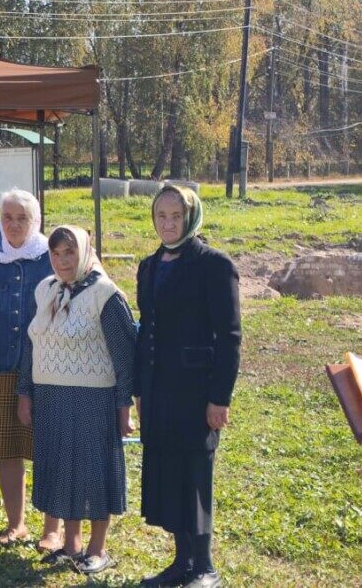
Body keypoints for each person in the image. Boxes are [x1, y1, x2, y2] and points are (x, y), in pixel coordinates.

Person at [136, 185, 241, 588]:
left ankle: (205, 566)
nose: (167, 223)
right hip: (159, 389)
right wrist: (141, 390)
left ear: (191, 216)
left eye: (176, 215)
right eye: (161, 215)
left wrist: (219, 398)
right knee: (170, 472)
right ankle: (181, 563)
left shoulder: (214, 265)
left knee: (196, 474)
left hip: (196, 393)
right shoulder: (148, 265)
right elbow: (147, 331)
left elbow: (229, 336)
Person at [18, 225, 136, 575]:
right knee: (61, 468)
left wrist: (124, 408)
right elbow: (31, 345)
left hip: (93, 398)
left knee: (94, 470)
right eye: (56, 253)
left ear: (84, 252)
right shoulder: (46, 290)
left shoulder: (105, 294)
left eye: (69, 252)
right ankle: (71, 544)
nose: (62, 260)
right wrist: (25, 392)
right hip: (51, 396)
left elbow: (125, 358)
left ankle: (98, 549)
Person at [0, 189, 60, 548]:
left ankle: (52, 530)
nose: (14, 224)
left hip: (46, 371)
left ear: (35, 221)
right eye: (7, 217)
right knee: (7, 449)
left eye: (22, 217)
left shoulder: (49, 259)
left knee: (47, 449)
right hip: (1, 369)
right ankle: (15, 524)